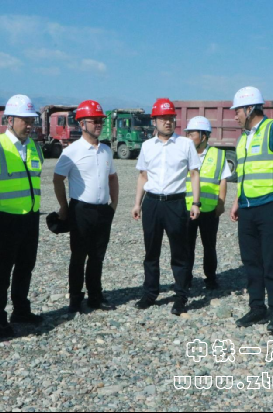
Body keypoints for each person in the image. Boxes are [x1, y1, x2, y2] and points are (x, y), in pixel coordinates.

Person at [229, 86, 273, 334]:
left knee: (272, 261)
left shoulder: (270, 129)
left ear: (249, 109)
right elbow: (244, 173)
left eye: (237, 110)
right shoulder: (243, 138)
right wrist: (237, 201)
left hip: (271, 205)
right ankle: (257, 307)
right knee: (251, 262)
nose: (235, 115)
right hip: (247, 206)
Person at [0, 95, 44, 339]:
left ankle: (21, 311)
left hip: (30, 216)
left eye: (31, 120)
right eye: (24, 120)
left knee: (26, 265)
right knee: (3, 269)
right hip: (6, 217)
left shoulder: (34, 147)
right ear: (9, 120)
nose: (29, 125)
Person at [132, 98, 201, 316]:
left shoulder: (185, 144)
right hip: (152, 203)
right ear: (154, 121)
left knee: (179, 253)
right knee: (151, 252)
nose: (168, 122)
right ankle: (150, 293)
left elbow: (194, 173)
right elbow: (143, 176)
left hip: (175, 203)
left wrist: (196, 202)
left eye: (171, 118)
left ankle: (180, 296)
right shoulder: (147, 146)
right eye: (163, 118)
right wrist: (137, 203)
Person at [53, 100, 119, 313]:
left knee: (98, 256)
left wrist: (114, 204)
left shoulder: (106, 150)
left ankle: (95, 296)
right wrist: (64, 206)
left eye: (100, 121)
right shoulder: (72, 151)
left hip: (103, 210)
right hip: (80, 210)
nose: (99, 124)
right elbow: (57, 179)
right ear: (82, 124)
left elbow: (113, 177)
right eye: (94, 121)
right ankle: (75, 298)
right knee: (78, 256)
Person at [184, 116, 231, 290]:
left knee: (209, 246)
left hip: (210, 209)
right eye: (188, 133)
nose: (188, 137)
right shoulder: (184, 153)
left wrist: (221, 202)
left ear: (203, 136)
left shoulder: (218, 155)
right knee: (186, 246)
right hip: (187, 207)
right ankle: (186, 279)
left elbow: (223, 180)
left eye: (192, 134)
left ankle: (210, 278)